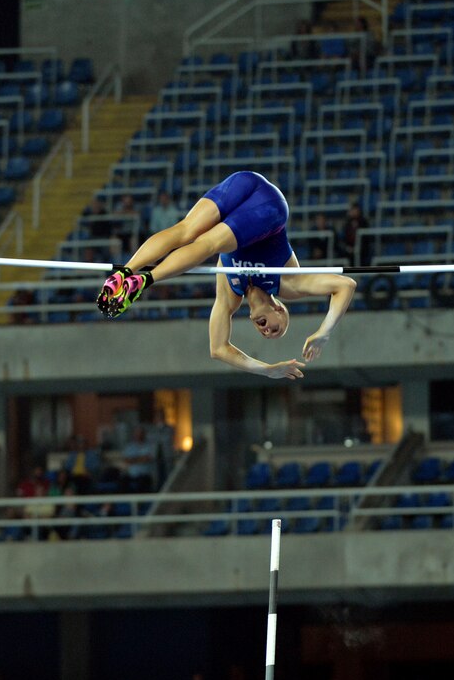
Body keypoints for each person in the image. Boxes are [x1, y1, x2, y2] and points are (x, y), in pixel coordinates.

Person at [96, 170, 357, 379]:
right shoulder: (288, 283)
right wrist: (324, 332)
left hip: (242, 186)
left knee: (189, 232)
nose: (266, 331)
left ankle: (126, 274)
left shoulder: (231, 294)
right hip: (268, 208)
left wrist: (265, 370)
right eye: (275, 328)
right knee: (203, 241)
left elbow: (218, 349)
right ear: (279, 309)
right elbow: (345, 285)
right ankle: (141, 279)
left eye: (264, 333)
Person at [121, 425, 156, 493]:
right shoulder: (130, 446)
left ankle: (140, 502)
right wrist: (140, 459)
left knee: (142, 482)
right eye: (136, 434)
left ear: (144, 434)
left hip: (144, 475)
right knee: (122, 480)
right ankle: (124, 501)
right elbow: (126, 460)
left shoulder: (149, 446)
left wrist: (133, 459)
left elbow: (147, 459)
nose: (138, 435)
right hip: (132, 475)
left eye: (140, 433)